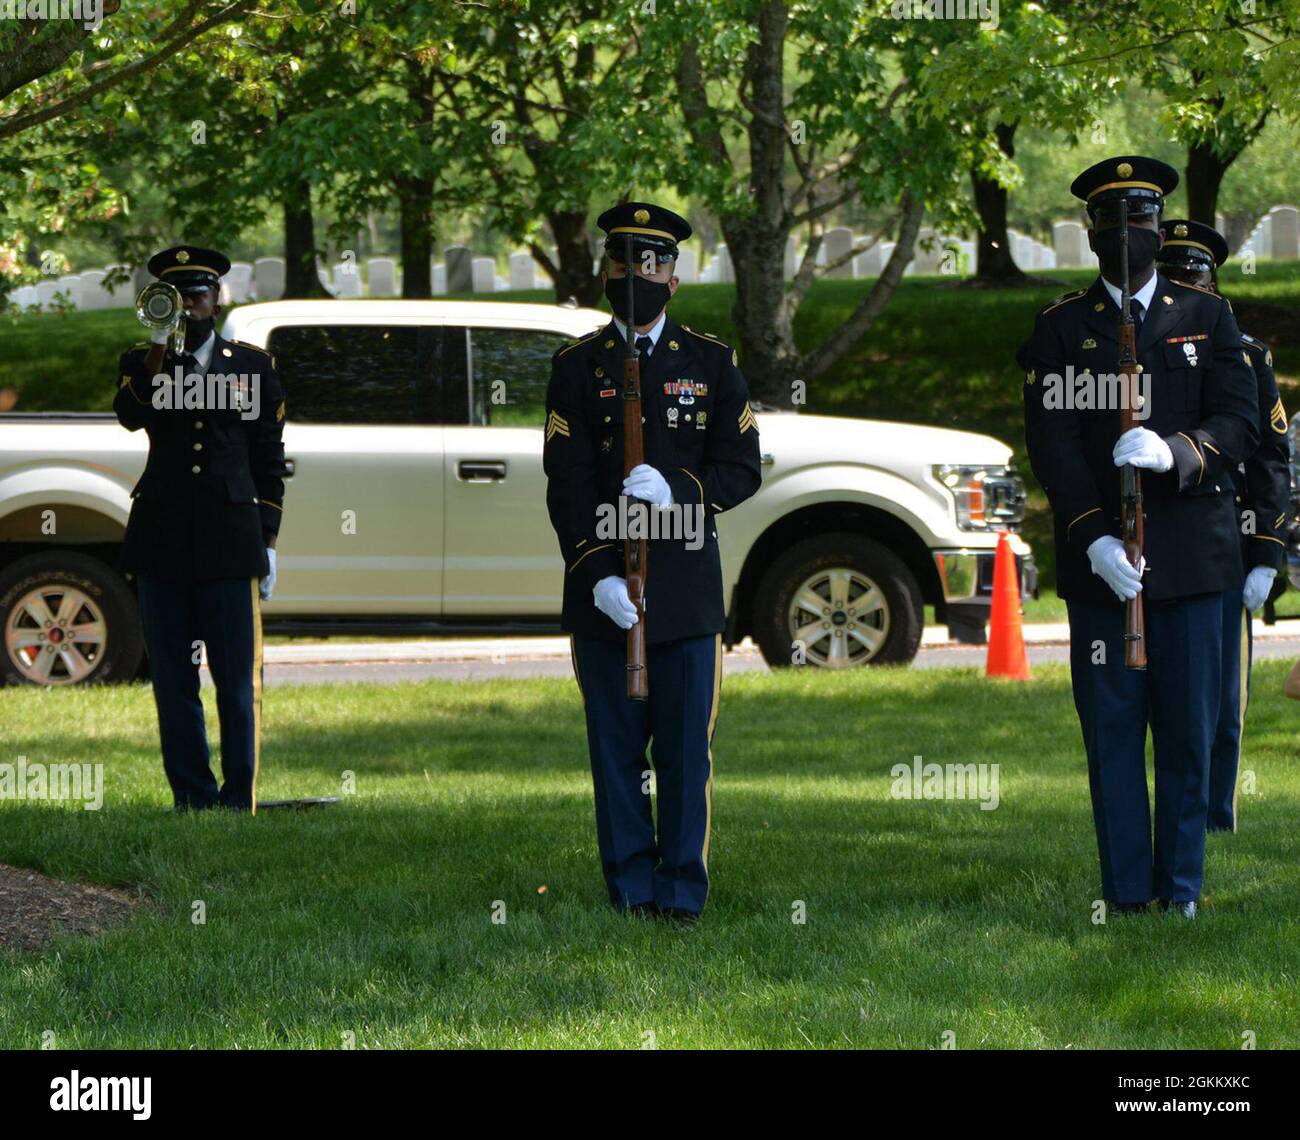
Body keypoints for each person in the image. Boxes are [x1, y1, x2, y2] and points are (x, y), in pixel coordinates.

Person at [1018, 158, 1258, 919]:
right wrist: (1091, 539)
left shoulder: (1207, 316)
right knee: (1114, 736)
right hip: (1104, 570)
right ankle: (1125, 894)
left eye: (1143, 220)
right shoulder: (1059, 329)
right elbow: (1051, 446)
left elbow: (1240, 423)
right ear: (1092, 234)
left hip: (1191, 560)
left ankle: (1180, 889)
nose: (1129, 236)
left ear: (1159, 226)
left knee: (1188, 734)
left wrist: (1176, 451)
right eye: (1112, 223)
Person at [543, 202, 762, 922]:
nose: (635, 275)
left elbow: (741, 469)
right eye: (622, 263)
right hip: (605, 590)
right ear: (607, 272)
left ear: (673, 275)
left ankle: (681, 889)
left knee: (684, 753)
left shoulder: (711, 362)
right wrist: (597, 572)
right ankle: (631, 888)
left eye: (651, 263)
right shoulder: (577, 367)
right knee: (615, 752)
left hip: (686, 588)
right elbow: (567, 485)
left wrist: (680, 490)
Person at [114, 245, 286, 813]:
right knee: (174, 682)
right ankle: (192, 797)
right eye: (176, 296)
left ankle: (240, 799)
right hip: (163, 541)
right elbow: (133, 413)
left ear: (218, 298)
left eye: (198, 294)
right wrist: (161, 343)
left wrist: (267, 539)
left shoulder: (253, 366)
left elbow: (268, 454)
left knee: (238, 685)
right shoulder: (144, 362)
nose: (190, 305)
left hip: (231, 543)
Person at [1155, 219, 1290, 832]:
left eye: (1198, 276)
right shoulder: (1144, 344)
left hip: (1224, 536)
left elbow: (1267, 455)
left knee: (1223, 696)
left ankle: (1215, 813)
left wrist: (1267, 549)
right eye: (1177, 275)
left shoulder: (1246, 351)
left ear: (1215, 281)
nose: (1188, 286)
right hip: (1158, 532)